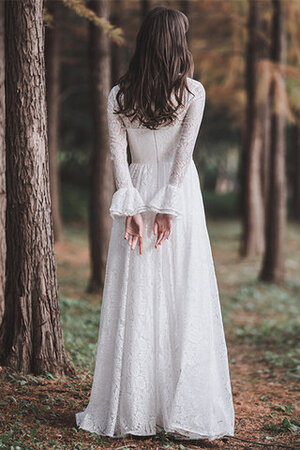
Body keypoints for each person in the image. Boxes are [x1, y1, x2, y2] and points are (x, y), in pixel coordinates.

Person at [76, 5, 235, 442]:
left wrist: (131, 208)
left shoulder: (118, 95)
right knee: (181, 290)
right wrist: (168, 205)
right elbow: (183, 155)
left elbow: (118, 157)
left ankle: (137, 403)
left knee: (140, 292)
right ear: (177, 44)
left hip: (140, 188)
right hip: (177, 193)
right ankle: (173, 402)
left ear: (145, 42)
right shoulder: (193, 93)